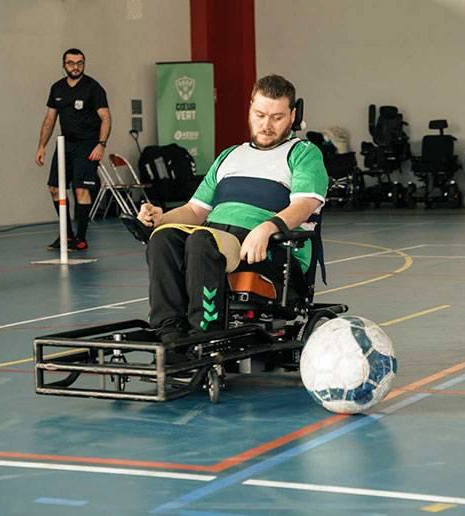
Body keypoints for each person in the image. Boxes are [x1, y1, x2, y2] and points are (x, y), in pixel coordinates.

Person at [137, 74, 328, 342]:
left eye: (277, 117)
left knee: (201, 241)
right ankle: (169, 332)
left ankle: (204, 334)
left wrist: (267, 228)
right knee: (164, 237)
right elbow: (195, 211)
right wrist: (160, 217)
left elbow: (305, 204)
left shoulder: (303, 153)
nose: (267, 125)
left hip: (270, 251)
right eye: (260, 114)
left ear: (293, 115)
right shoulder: (230, 155)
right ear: (250, 108)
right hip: (217, 242)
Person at [35, 48, 111, 251]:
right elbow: (49, 120)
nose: (76, 67)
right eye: (71, 63)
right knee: (54, 188)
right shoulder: (57, 88)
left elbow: (105, 118)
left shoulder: (93, 88)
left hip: (88, 145)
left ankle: (81, 237)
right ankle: (66, 234)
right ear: (64, 65)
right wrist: (41, 146)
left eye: (80, 63)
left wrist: (101, 144)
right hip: (64, 144)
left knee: (81, 189)